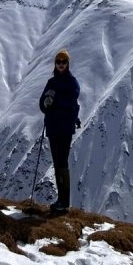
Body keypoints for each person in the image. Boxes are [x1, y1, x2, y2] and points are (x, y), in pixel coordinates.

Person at [38, 49, 80, 214]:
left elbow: (72, 99)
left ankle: (64, 201)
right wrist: (46, 103)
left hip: (64, 128)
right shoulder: (51, 82)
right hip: (53, 128)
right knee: (58, 163)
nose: (61, 64)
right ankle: (62, 200)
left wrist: (53, 100)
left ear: (68, 64)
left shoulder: (71, 82)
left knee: (62, 162)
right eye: (58, 62)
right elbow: (42, 104)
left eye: (64, 62)